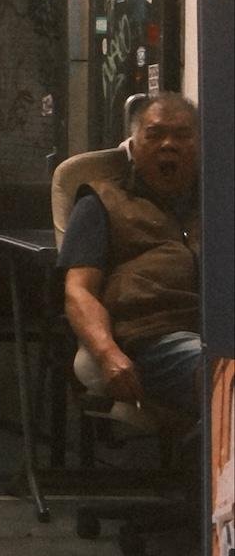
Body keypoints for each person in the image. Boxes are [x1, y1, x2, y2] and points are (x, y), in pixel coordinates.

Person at [61, 89, 203, 431]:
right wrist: (107, 353)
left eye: (183, 135)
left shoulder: (219, 201)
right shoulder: (102, 201)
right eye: (155, 135)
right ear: (134, 147)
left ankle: (201, 465)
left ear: (200, 145)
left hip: (218, 331)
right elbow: (77, 292)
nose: (169, 145)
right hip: (154, 340)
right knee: (223, 375)